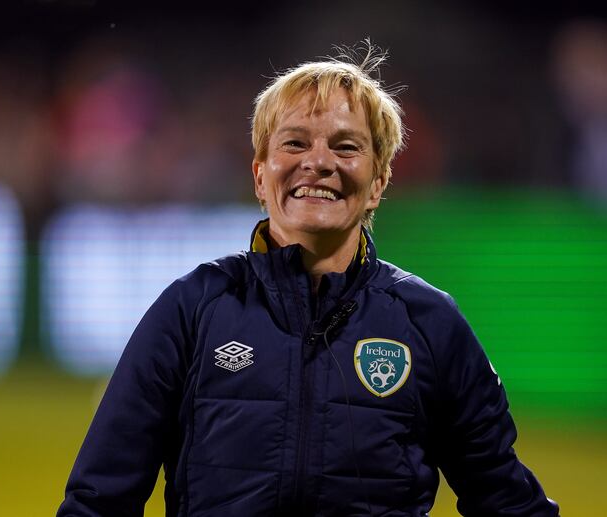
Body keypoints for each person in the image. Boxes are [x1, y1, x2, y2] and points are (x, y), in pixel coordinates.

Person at [57, 43, 560, 517]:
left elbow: (506, 500)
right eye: (295, 142)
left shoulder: (429, 323)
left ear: (378, 184)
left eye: (346, 147)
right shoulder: (192, 309)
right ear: (259, 176)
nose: (318, 163)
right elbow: (99, 500)